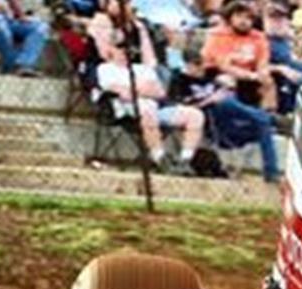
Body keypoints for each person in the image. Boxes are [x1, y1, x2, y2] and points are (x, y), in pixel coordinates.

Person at [169, 48, 279, 181]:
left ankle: (271, 173)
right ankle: (267, 117)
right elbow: (183, 110)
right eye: (197, 65)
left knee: (264, 126)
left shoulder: (210, 73)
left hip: (233, 121)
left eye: (202, 64)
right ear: (187, 65)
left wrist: (228, 83)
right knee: (224, 102)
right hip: (213, 124)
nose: (201, 69)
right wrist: (210, 99)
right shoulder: (179, 81)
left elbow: (229, 79)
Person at [96, 47, 206, 172]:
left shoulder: (143, 69)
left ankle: (185, 160)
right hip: (129, 110)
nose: (125, 52)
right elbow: (122, 93)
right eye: (120, 49)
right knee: (146, 112)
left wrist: (134, 89)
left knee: (196, 115)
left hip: (156, 108)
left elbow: (159, 92)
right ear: (112, 50)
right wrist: (144, 88)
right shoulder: (104, 69)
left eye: (126, 49)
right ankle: (160, 159)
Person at [202, 0, 276, 109]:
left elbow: (262, 62)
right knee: (228, 81)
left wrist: (262, 74)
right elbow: (224, 66)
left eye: (248, 18)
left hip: (249, 73)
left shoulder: (259, 37)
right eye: (239, 16)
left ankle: (269, 116)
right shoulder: (218, 35)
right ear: (230, 18)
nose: (243, 21)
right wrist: (252, 76)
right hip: (219, 73)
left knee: (268, 81)